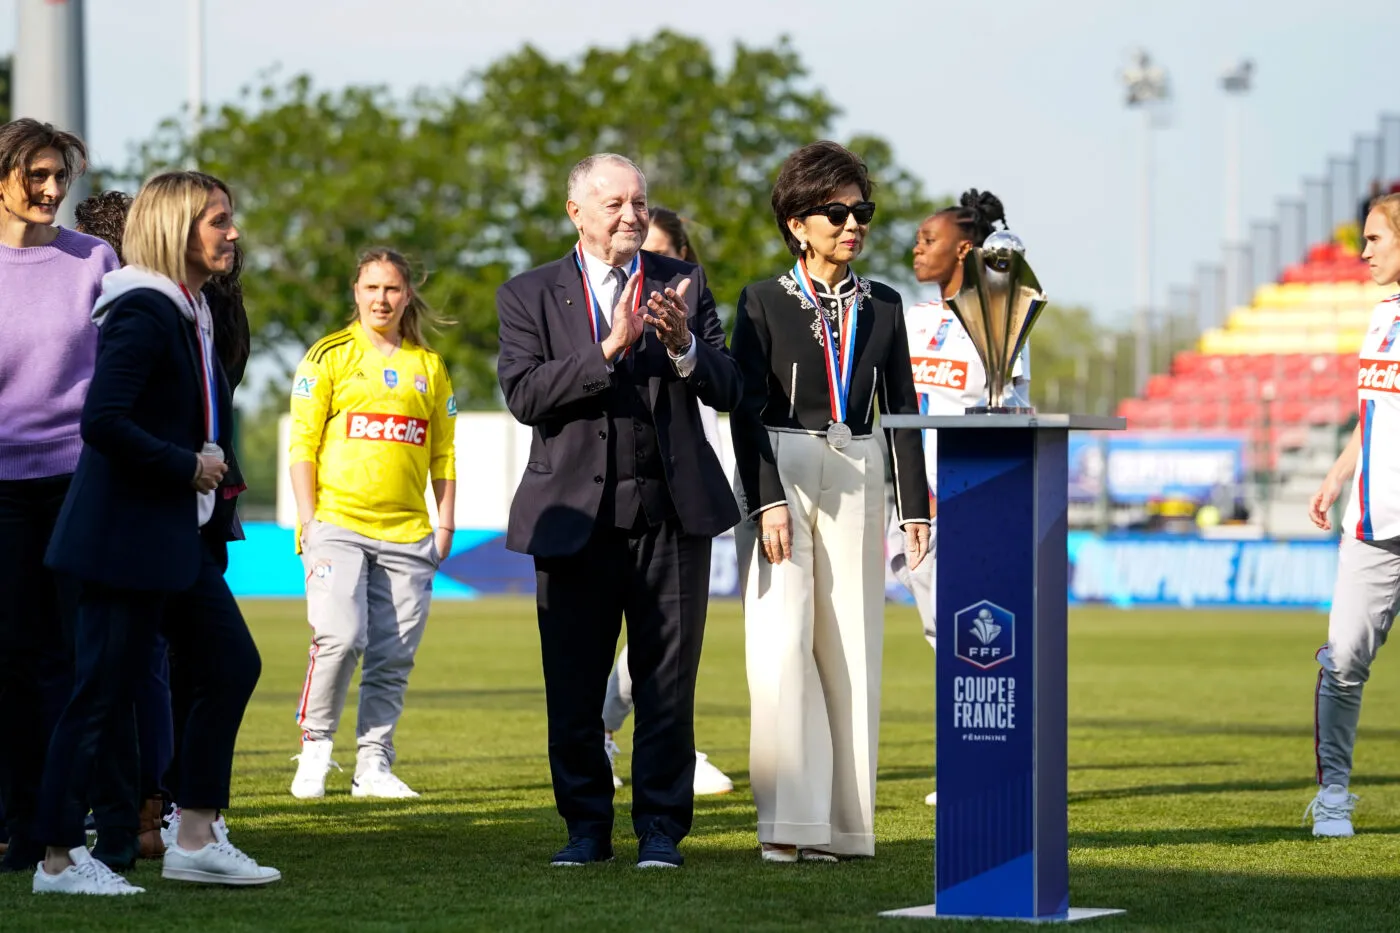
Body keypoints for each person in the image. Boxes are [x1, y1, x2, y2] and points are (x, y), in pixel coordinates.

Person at [33, 171, 277, 895]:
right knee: (98, 697)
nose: (233, 233)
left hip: (172, 539)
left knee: (231, 663)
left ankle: (195, 833)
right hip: (122, 540)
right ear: (177, 228)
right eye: (218, 221)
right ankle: (55, 861)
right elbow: (102, 421)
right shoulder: (144, 307)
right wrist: (187, 465)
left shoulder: (190, 307)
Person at [496, 153, 742, 870]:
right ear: (577, 212)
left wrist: (684, 347)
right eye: (615, 203)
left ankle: (661, 829)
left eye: (640, 201)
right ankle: (585, 827)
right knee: (573, 685)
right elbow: (526, 396)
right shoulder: (530, 294)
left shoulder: (682, 285)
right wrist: (609, 348)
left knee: (667, 682)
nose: (632, 214)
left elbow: (731, 386)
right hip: (572, 520)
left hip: (671, 516)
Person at [730, 140, 930, 863]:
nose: (854, 224)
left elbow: (902, 406)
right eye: (837, 212)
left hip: (860, 471)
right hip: (781, 468)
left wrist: (916, 507)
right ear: (796, 223)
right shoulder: (756, 301)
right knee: (782, 647)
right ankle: (788, 823)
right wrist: (764, 498)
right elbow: (742, 410)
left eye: (862, 211)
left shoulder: (884, 304)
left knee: (852, 649)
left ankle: (846, 830)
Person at [287, 248, 457, 800]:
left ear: (406, 295)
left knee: (392, 656)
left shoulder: (429, 367)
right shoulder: (329, 356)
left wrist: (445, 525)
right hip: (337, 523)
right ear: (355, 293)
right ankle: (315, 749)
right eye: (371, 288)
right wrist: (309, 521)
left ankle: (374, 765)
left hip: (408, 534)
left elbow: (443, 455)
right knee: (341, 636)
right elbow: (302, 444)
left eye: (391, 289)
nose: (381, 299)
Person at [0, 119, 119, 876]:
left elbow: (117, 372)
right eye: (35, 174)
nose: (50, 190)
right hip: (2, 491)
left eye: (59, 176)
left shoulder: (94, 259)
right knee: (14, 660)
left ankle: (64, 832)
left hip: (79, 482)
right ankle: (20, 826)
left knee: (76, 663)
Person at [886, 189, 1030, 806]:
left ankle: (987, 759)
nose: (917, 247)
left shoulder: (997, 319)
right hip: (910, 502)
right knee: (937, 632)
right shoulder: (912, 319)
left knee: (971, 634)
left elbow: (1012, 408)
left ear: (964, 249)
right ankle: (975, 756)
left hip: (971, 499)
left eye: (929, 239)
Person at [602, 207, 733, 798]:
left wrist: (682, 342)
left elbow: (727, 388)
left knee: (675, 647)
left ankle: (672, 752)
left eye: (655, 254)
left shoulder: (693, 305)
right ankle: (605, 733)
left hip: (693, 490)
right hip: (615, 497)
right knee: (641, 645)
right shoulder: (587, 300)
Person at [1305, 191, 1400, 838]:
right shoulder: (1381, 315)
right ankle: (1334, 794)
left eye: (1375, 238)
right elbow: (1374, 416)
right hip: (1373, 523)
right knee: (1341, 663)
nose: (1362, 250)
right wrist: (1339, 474)